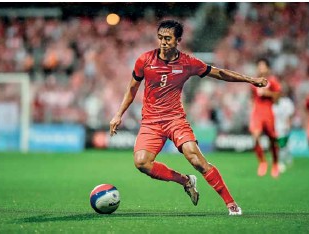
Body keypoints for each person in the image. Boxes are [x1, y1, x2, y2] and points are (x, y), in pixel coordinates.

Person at [109, 19, 267, 215]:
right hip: (151, 122)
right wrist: (118, 114)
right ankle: (185, 180)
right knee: (141, 162)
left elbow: (220, 73)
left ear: (178, 40)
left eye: (168, 38)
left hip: (175, 120)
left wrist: (250, 80)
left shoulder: (188, 63)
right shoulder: (144, 60)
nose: (163, 42)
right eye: (160, 38)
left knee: (197, 159)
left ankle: (231, 203)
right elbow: (132, 89)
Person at [249, 58, 282, 178]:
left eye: (263, 66)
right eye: (259, 66)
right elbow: (252, 97)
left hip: (268, 111)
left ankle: (275, 163)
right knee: (256, 137)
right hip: (257, 112)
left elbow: (278, 98)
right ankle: (262, 162)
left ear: (268, 68)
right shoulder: (254, 81)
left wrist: (267, 93)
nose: (261, 68)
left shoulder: (273, 81)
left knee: (272, 139)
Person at [272, 86, 295, 173]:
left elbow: (290, 114)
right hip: (275, 127)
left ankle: (282, 160)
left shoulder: (286, 102)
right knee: (279, 144)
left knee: (283, 144)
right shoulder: (272, 103)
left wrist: (288, 124)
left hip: (284, 126)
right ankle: (280, 161)